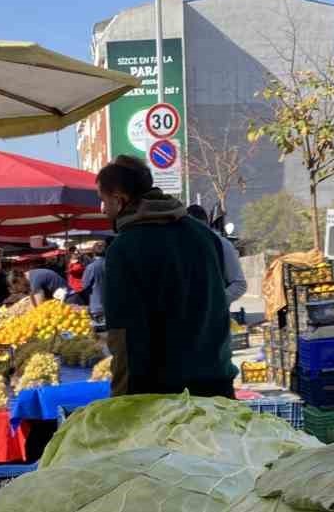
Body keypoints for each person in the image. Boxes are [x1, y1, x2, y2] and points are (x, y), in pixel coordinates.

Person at [98, 156, 234, 398]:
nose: (102, 209)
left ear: (120, 200)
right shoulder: (204, 235)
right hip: (218, 386)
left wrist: (121, 400)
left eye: (103, 200)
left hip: (162, 398)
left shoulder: (124, 248)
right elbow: (219, 305)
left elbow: (124, 336)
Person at [186, 204, 249, 305]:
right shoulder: (181, 246)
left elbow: (239, 284)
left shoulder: (222, 245)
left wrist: (214, 301)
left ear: (205, 225)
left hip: (215, 316)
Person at [71, 241, 106, 321]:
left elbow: (84, 285)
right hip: (112, 305)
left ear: (93, 253)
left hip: (97, 307)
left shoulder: (91, 267)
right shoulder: (113, 264)